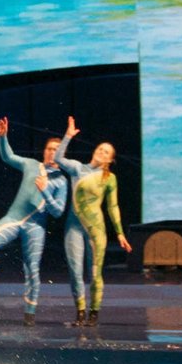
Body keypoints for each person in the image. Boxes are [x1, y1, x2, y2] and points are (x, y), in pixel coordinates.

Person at [0, 117, 68, 326]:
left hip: (35, 226)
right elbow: (8, 157)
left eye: (56, 149)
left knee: (32, 268)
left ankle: (30, 312)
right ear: (45, 151)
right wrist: (3, 137)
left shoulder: (60, 181)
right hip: (13, 218)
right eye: (49, 148)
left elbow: (57, 212)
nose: (52, 152)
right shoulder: (31, 165)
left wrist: (45, 191)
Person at [55, 115, 132, 327]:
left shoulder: (109, 178)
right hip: (73, 226)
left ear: (109, 159)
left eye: (106, 152)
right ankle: (80, 312)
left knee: (95, 272)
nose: (101, 151)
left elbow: (112, 207)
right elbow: (59, 159)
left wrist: (119, 233)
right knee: (75, 270)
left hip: (96, 229)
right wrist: (68, 136)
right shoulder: (78, 169)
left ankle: (94, 313)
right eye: (100, 148)